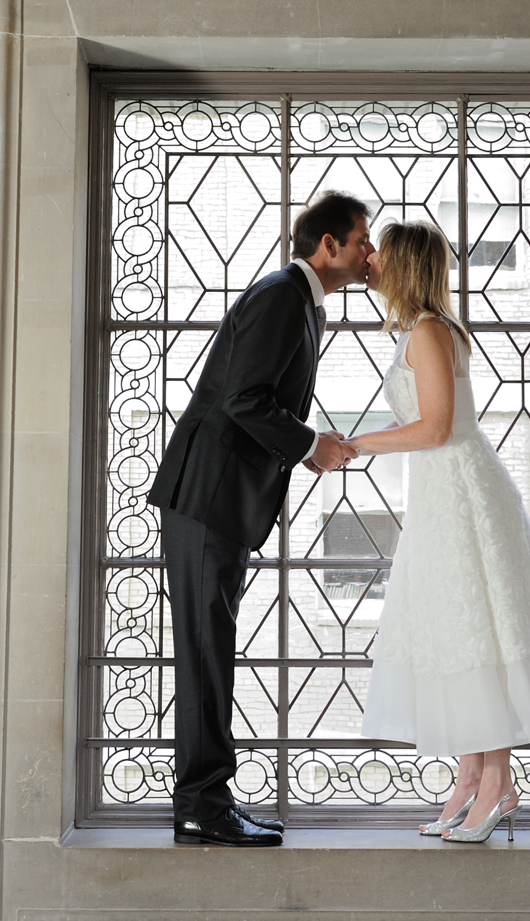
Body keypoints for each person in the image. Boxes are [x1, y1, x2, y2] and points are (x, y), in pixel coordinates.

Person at [350, 221, 530, 843]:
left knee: (476, 633)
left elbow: (435, 428)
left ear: (403, 264)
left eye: (379, 250)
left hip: (459, 488)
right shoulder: (423, 328)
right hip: (444, 491)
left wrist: (354, 445)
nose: (371, 259)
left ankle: (496, 784)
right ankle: (471, 778)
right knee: (458, 632)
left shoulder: (432, 330)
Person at [147, 191, 373, 846]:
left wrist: (299, 443)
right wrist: (310, 445)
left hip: (217, 501)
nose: (369, 254)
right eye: (361, 240)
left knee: (209, 652)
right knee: (204, 654)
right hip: (207, 497)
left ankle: (208, 801)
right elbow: (244, 399)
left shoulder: (300, 302)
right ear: (326, 245)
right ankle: (201, 806)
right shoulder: (282, 295)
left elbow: (252, 398)